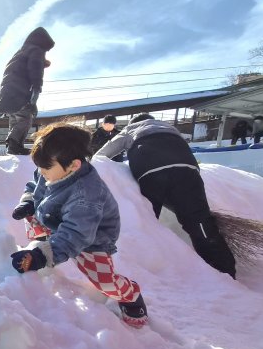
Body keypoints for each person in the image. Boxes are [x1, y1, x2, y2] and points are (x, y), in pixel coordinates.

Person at [9, 123, 148, 328]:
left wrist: (42, 255)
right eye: (39, 166)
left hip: (90, 239)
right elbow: (34, 185)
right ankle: (47, 246)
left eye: (45, 168)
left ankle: (130, 295)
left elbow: (76, 234)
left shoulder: (87, 195)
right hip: (56, 220)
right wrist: (28, 202)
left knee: (104, 281)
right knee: (33, 219)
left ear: (73, 165)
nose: (40, 171)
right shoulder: (52, 168)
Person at [96, 113, 236, 278]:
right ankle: (223, 268)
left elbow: (104, 153)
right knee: (199, 221)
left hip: (150, 172)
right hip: (186, 170)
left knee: (146, 220)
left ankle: (146, 269)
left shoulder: (130, 129)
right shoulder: (170, 128)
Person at [0, 26, 55, 155]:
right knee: (25, 117)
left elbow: (12, 73)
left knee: (15, 119)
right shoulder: (36, 51)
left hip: (7, 93)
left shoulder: (20, 53)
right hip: (20, 91)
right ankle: (14, 144)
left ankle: (13, 147)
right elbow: (35, 70)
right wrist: (37, 88)